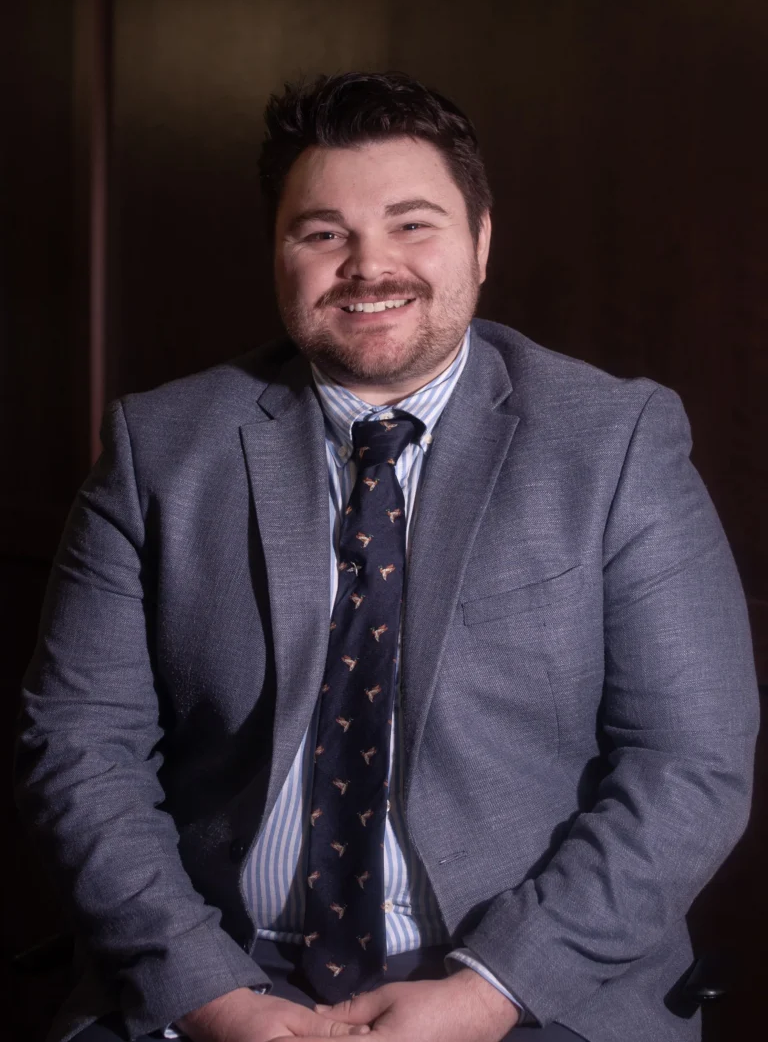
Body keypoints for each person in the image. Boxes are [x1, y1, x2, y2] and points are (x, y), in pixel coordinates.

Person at [15, 72, 759, 1042]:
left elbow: (689, 763)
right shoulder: (158, 450)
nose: (371, 265)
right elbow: (80, 747)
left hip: (530, 983)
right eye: (324, 232)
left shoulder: (615, 443)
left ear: (482, 242)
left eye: (414, 224)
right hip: (222, 967)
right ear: (278, 254)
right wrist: (212, 994)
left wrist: (489, 989)